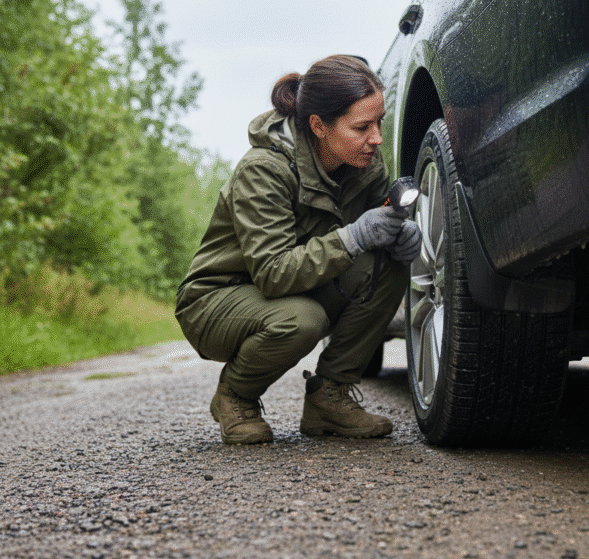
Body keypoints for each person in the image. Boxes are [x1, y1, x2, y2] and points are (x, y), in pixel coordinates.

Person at [175, 55, 421, 444]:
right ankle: (235, 396)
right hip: (216, 301)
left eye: (379, 122)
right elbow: (273, 273)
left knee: (387, 262)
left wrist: (402, 236)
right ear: (318, 126)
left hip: (290, 288)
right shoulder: (263, 169)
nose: (376, 138)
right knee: (303, 319)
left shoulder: (364, 164)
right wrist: (355, 236)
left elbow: (375, 236)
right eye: (361, 127)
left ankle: (330, 397)